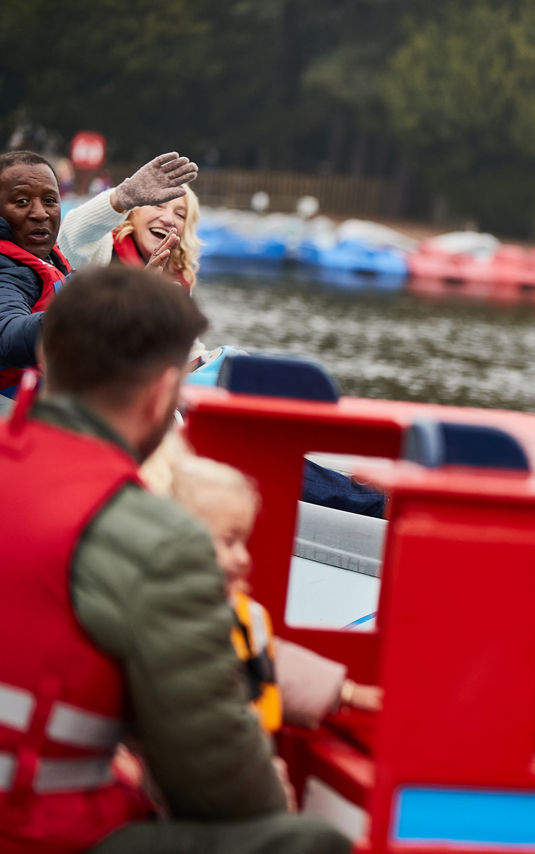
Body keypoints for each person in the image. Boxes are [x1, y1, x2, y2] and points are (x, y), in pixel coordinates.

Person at [0, 265, 348, 853]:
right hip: (38, 830)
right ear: (164, 392)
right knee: (308, 841)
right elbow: (218, 779)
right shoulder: (153, 537)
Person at [169, 455, 383, 732]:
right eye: (229, 541)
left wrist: (345, 691)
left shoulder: (240, 612)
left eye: (244, 542)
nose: (243, 557)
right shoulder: (173, 612)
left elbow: (268, 660)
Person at [0, 150, 197, 396]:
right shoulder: (11, 267)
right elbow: (7, 335)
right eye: (22, 202)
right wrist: (122, 197)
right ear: (133, 212)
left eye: (50, 201)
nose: (40, 213)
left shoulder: (51, 260)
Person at [59, 182, 201, 291]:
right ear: (133, 212)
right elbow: (70, 237)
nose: (168, 219)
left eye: (180, 215)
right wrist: (119, 199)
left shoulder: (180, 281)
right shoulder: (102, 249)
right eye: (158, 205)